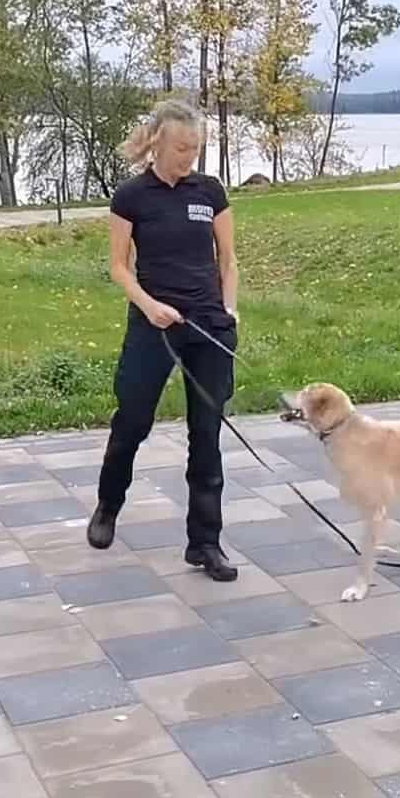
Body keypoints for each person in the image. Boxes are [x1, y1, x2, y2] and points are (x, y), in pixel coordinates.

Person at [86, 99, 241, 582]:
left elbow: (229, 260)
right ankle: (108, 505)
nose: (187, 158)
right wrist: (149, 305)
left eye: (194, 149)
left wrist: (230, 310)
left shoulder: (209, 191)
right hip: (152, 324)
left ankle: (205, 543)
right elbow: (118, 266)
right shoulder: (132, 196)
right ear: (157, 142)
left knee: (207, 433)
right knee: (132, 420)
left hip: (208, 327)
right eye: (180, 148)